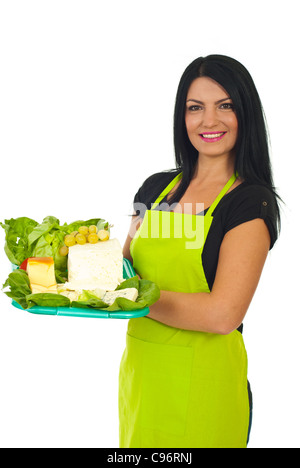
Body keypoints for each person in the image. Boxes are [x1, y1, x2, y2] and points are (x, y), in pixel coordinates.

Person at [119, 55, 281, 448]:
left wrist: (127, 298)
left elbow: (222, 314)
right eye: (195, 108)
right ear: (182, 117)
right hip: (143, 379)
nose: (209, 121)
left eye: (225, 105)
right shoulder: (154, 189)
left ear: (245, 114)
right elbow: (122, 268)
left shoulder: (248, 202)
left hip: (207, 387)